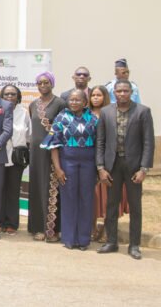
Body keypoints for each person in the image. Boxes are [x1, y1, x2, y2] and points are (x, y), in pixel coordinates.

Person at [97, 80, 154, 260]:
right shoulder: (106, 112)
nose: (122, 94)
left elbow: (148, 142)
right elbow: (100, 141)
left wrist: (144, 169)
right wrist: (101, 168)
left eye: (125, 91)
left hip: (134, 167)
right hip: (112, 166)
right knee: (111, 205)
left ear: (131, 92)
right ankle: (111, 241)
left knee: (135, 206)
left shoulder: (143, 112)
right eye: (119, 91)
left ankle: (134, 245)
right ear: (114, 92)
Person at [41, 90, 98, 251]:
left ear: (85, 102)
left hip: (88, 162)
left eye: (77, 100)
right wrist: (58, 168)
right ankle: (69, 238)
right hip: (68, 161)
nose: (73, 102)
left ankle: (84, 239)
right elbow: (53, 145)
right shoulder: (61, 118)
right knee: (69, 199)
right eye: (71, 100)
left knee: (86, 199)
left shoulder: (93, 119)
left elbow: (99, 142)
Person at [28, 71, 68, 242]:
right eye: (40, 83)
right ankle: (38, 227)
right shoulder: (33, 104)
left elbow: (61, 128)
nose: (43, 85)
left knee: (51, 189)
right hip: (36, 153)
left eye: (46, 82)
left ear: (52, 83)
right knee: (37, 187)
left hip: (52, 152)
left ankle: (52, 229)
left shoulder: (60, 103)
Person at [88, 85, 127, 242]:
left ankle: (106, 230)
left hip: (109, 161)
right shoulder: (85, 114)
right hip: (89, 159)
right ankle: (91, 228)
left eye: (99, 95)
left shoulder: (111, 113)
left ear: (105, 96)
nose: (96, 98)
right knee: (92, 197)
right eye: (93, 95)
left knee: (108, 197)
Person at [0, 84, 30, 235]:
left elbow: (29, 135)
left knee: (12, 191)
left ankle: (11, 223)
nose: (10, 97)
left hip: (16, 158)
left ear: (18, 97)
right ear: (2, 96)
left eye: (13, 94)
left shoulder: (24, 113)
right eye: (7, 94)